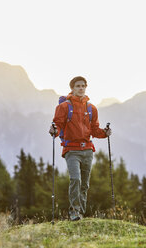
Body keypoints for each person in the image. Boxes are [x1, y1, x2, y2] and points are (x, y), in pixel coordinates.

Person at [49, 76, 112, 221]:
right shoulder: (64, 107)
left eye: (83, 85)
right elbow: (57, 124)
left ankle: (80, 213)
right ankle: (74, 212)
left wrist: (105, 133)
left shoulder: (91, 108)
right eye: (78, 86)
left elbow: (94, 130)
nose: (81, 88)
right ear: (72, 88)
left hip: (88, 150)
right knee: (75, 179)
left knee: (85, 184)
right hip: (71, 150)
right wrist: (54, 130)